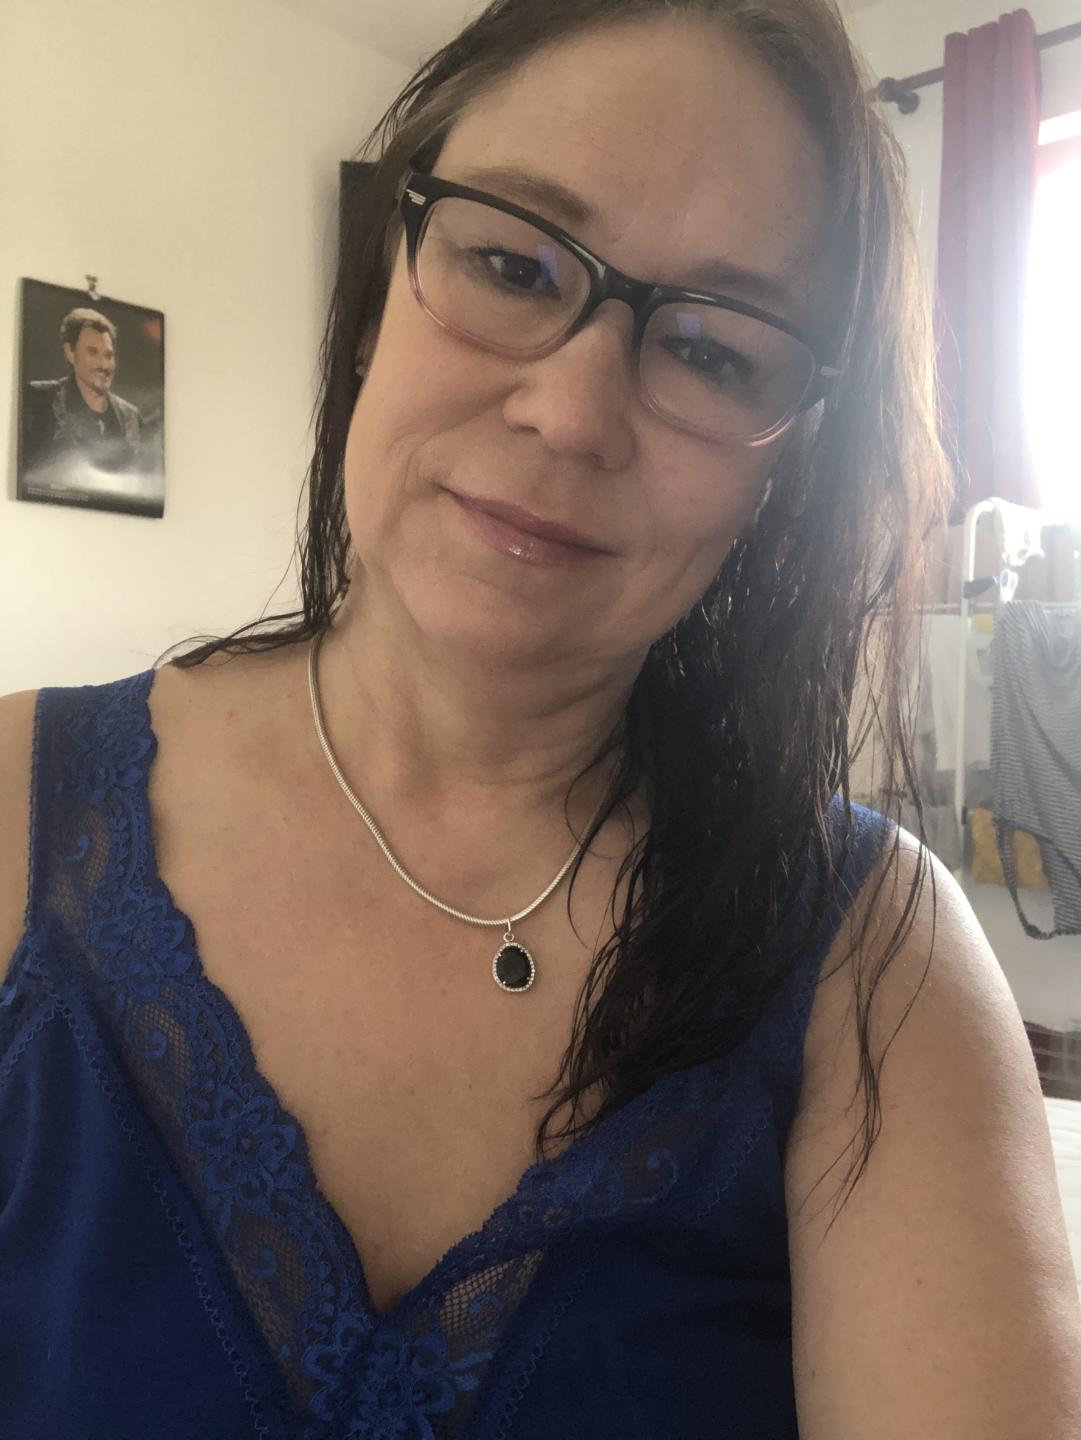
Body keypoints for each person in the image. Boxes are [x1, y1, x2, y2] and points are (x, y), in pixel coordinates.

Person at [1, 1, 1079, 1435]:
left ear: (784, 475)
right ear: (380, 284)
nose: (572, 413)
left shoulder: (881, 966)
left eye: (714, 353)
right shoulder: (16, 801)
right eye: (513, 263)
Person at [21, 306, 143, 477]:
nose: (104, 365)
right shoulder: (39, 399)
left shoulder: (132, 417)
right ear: (70, 353)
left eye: (108, 355)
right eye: (93, 352)